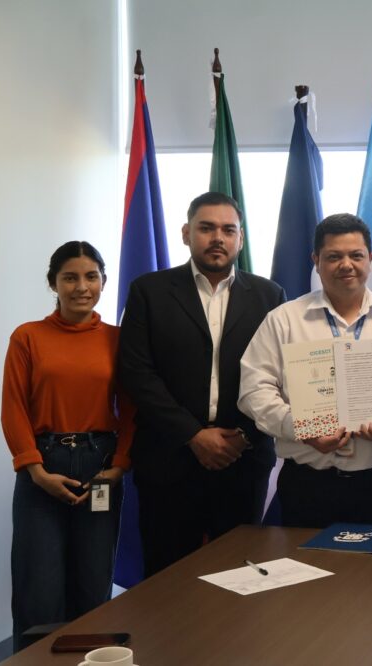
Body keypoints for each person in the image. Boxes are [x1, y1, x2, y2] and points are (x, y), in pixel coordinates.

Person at [118, 192, 285, 577]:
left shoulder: (268, 295)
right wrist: (192, 435)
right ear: (186, 233)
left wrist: (244, 435)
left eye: (228, 230)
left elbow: (280, 375)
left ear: (240, 239)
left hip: (242, 461)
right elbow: (137, 373)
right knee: (167, 582)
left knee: (240, 578)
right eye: (206, 228)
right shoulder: (149, 291)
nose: (218, 238)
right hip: (168, 461)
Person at [238, 213, 372, 528]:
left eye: (356, 255)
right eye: (333, 257)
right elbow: (254, 391)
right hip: (308, 484)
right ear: (316, 261)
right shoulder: (283, 320)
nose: (346, 265)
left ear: (370, 259)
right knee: (306, 561)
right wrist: (301, 428)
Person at [2, 241, 133, 651]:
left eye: (91, 277)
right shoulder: (28, 337)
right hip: (43, 467)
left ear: (103, 281)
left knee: (93, 583)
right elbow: (13, 408)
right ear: (53, 283)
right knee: (38, 586)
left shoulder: (118, 340)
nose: (81, 287)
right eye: (70, 278)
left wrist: (119, 466)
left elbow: (132, 410)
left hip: (100, 468)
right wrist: (35, 470)